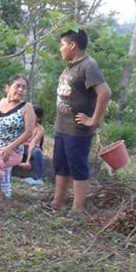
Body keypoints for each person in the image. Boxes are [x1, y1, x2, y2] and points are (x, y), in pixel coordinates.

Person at [48, 29, 111, 219]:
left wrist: (93, 119)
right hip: (62, 126)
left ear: (72, 45)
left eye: (62, 45)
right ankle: (57, 203)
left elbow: (105, 93)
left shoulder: (88, 65)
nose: (61, 49)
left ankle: (77, 209)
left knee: (77, 167)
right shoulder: (70, 66)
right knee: (61, 166)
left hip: (77, 130)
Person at [18, 106, 45, 186]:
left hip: (31, 148)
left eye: (33, 115)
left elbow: (33, 143)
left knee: (38, 152)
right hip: (21, 146)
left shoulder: (40, 129)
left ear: (38, 119)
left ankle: (39, 178)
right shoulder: (22, 124)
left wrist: (28, 161)